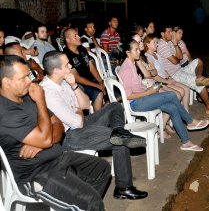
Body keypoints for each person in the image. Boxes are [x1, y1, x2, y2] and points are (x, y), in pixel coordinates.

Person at [0, 55, 111, 210]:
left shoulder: (25, 95)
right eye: (23, 78)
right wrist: (40, 101)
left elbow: (58, 125)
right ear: (6, 82)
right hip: (34, 174)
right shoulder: (5, 112)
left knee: (101, 168)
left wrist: (43, 143)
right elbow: (46, 137)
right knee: (91, 202)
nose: (29, 81)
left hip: (56, 158)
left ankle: (77, 205)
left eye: (28, 75)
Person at [40, 50, 148, 200]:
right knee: (120, 141)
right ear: (57, 70)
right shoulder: (48, 92)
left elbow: (84, 104)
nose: (71, 66)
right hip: (69, 137)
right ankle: (124, 188)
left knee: (115, 107)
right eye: (67, 65)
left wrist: (74, 86)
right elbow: (77, 122)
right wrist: (78, 113)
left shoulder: (64, 81)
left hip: (79, 124)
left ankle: (118, 131)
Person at [118, 39, 209, 151]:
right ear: (128, 52)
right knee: (171, 95)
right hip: (135, 103)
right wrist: (148, 92)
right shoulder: (127, 69)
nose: (139, 52)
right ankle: (190, 121)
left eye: (138, 49)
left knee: (172, 107)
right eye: (136, 50)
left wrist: (150, 88)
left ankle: (186, 142)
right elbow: (127, 96)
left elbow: (137, 85)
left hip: (143, 97)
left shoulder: (133, 63)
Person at [157, 24, 209, 115]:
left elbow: (179, 57)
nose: (171, 33)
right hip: (174, 74)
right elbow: (176, 61)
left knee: (198, 61)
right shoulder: (162, 45)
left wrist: (175, 45)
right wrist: (177, 56)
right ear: (162, 34)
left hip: (180, 70)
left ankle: (199, 76)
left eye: (171, 31)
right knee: (200, 84)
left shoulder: (170, 43)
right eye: (169, 31)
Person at [63, 28, 106, 111]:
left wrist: (101, 81)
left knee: (112, 90)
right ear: (68, 40)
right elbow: (76, 78)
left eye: (78, 35)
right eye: (75, 36)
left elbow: (91, 67)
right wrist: (97, 85)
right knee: (99, 92)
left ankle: (102, 111)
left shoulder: (82, 49)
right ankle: (98, 119)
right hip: (78, 85)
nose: (79, 37)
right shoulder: (66, 55)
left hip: (90, 80)